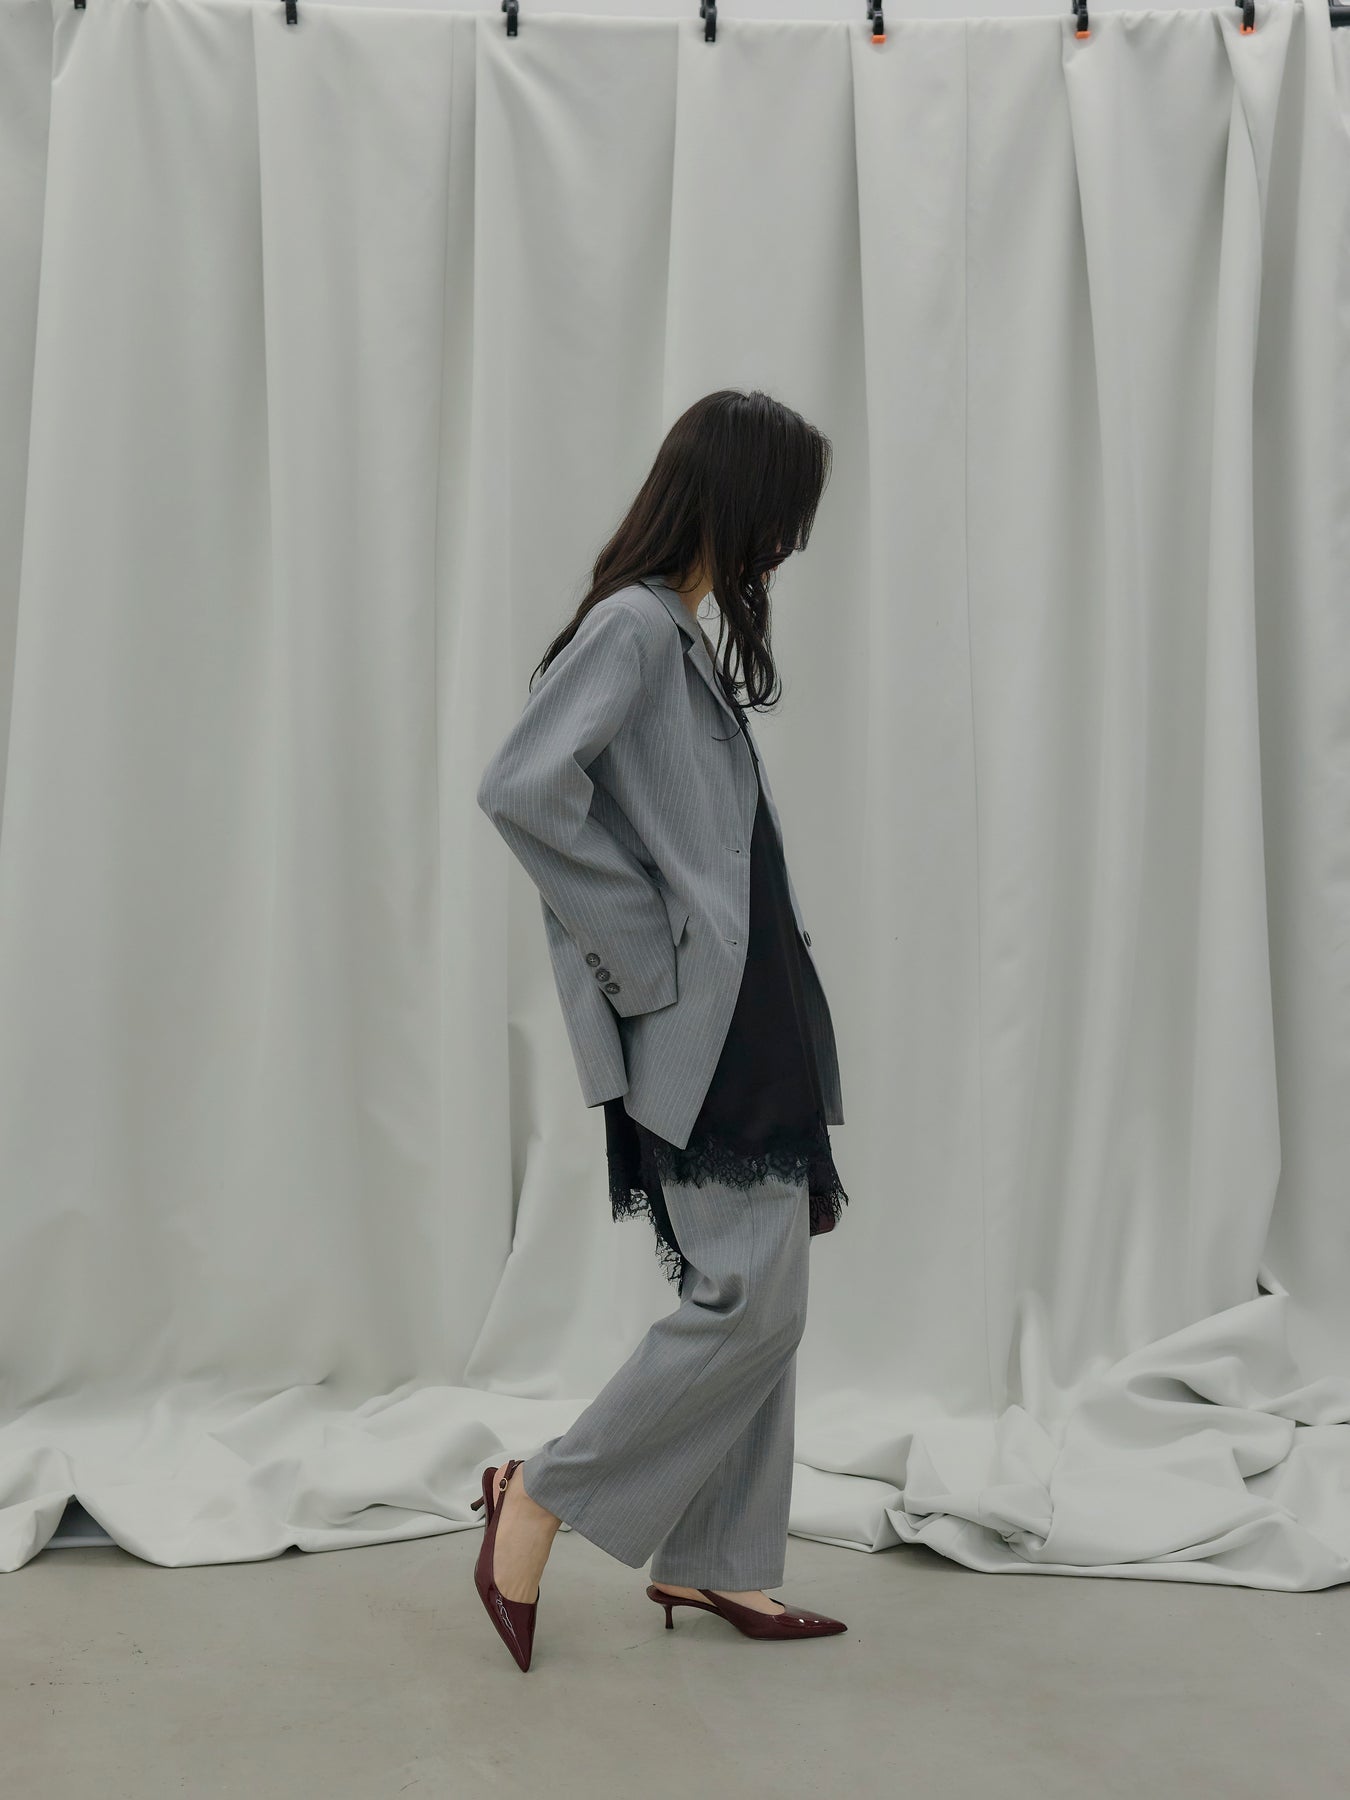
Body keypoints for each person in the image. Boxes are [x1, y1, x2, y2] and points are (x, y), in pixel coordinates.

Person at [473, 389, 850, 1670]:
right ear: (733, 499)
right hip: (708, 1026)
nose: (787, 542)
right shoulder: (634, 628)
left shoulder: (677, 634)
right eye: (781, 512)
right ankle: (540, 1492)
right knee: (748, 1303)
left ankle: (716, 1561)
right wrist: (644, 951)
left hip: (758, 1016)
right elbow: (521, 788)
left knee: (763, 1297)